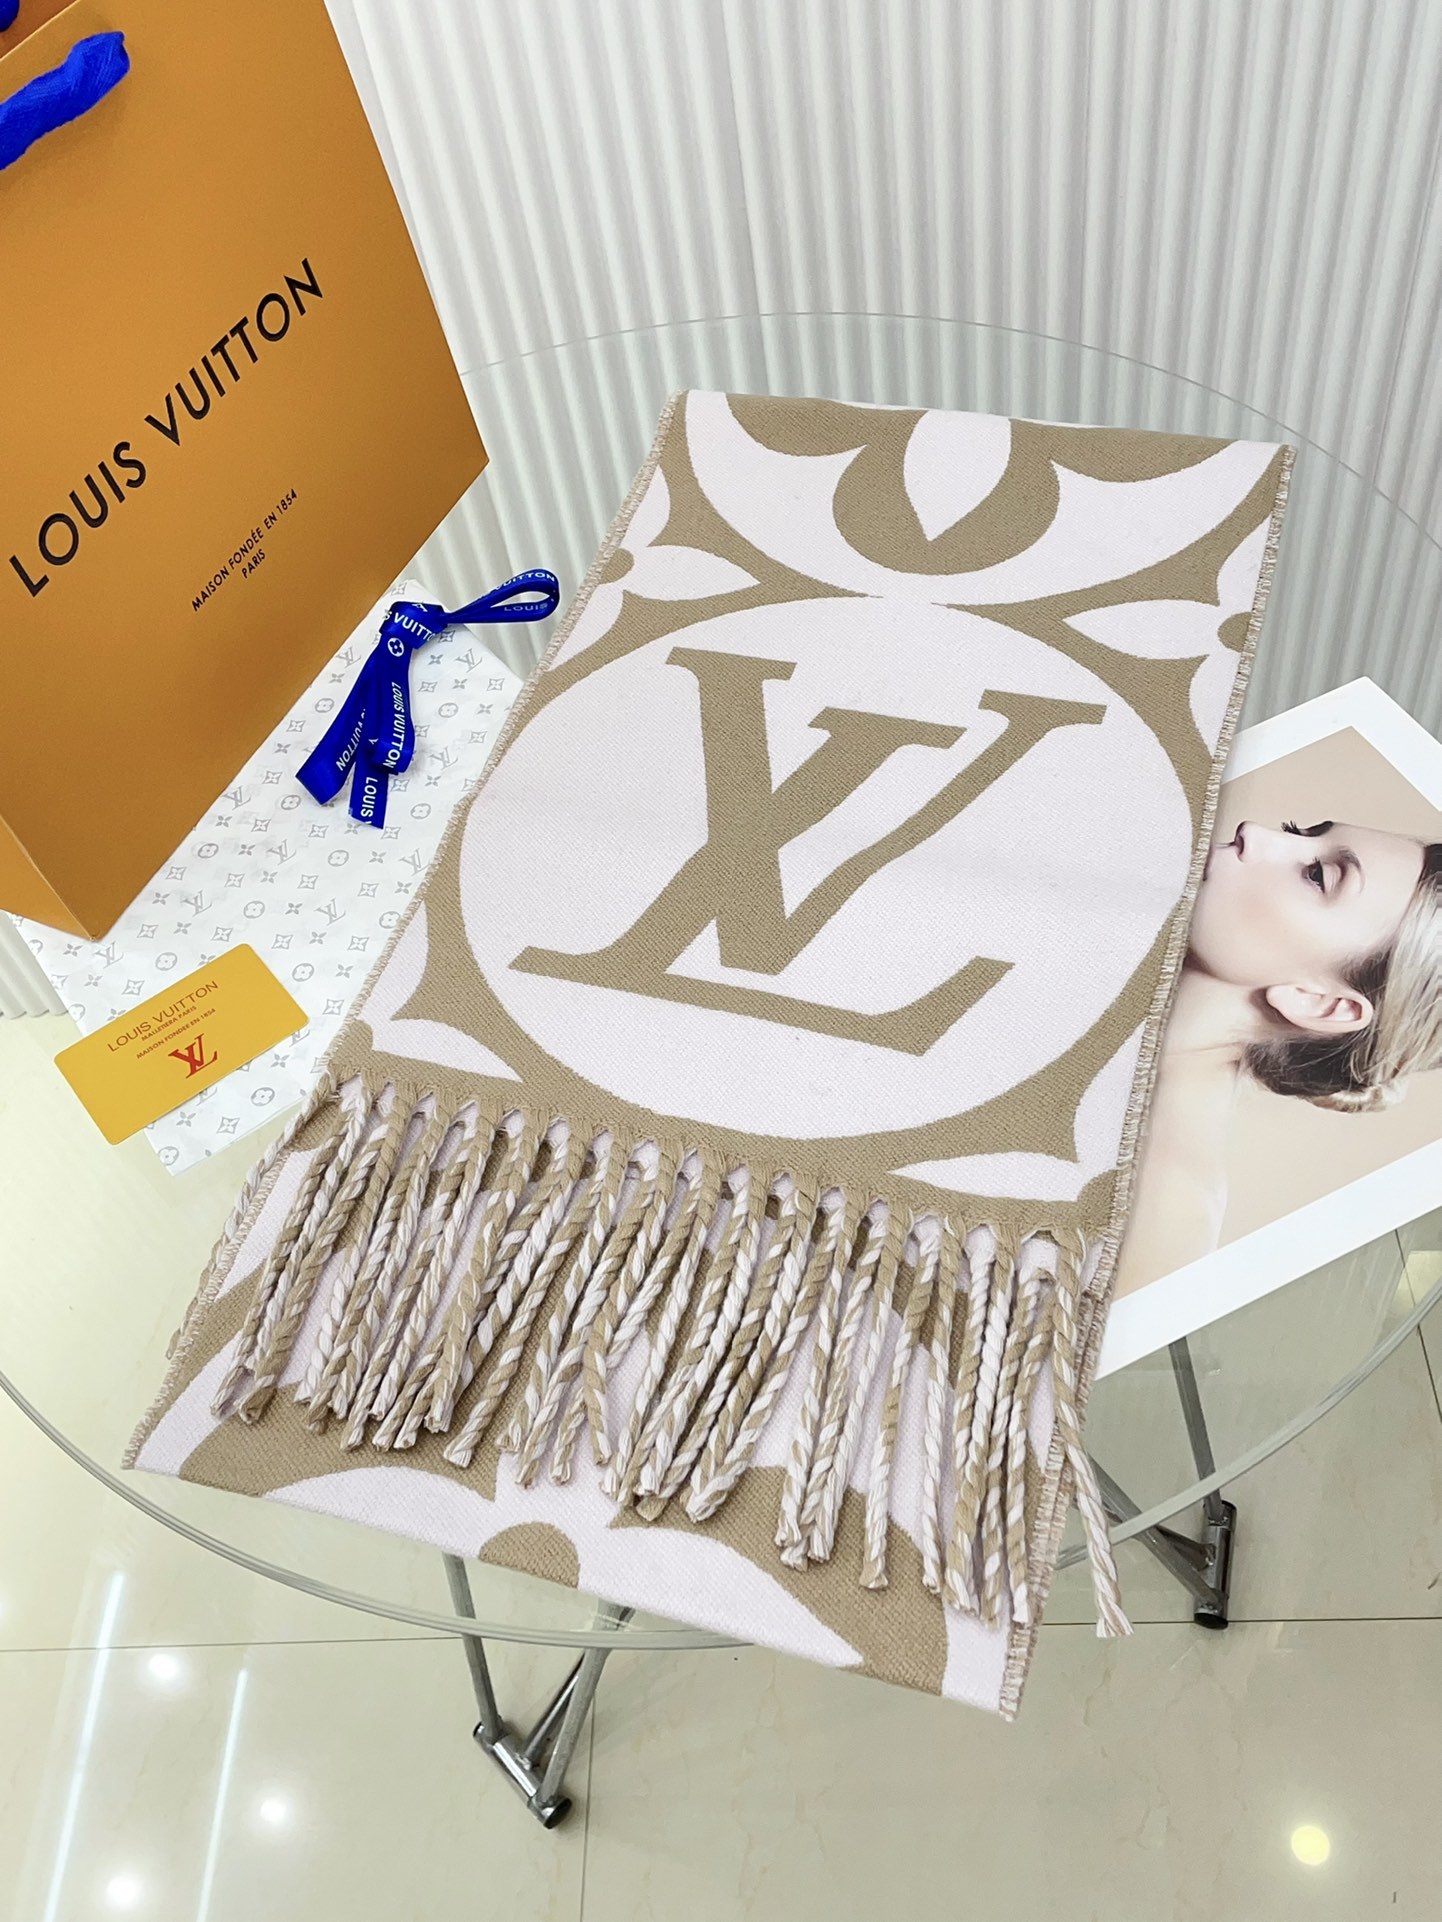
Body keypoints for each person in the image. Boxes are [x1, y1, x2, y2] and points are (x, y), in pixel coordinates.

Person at [1120, 818, 1442, 1285]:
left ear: (1321, 1003)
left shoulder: (1164, 1207)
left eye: (1317, 875)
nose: (1253, 831)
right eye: (1301, 831)